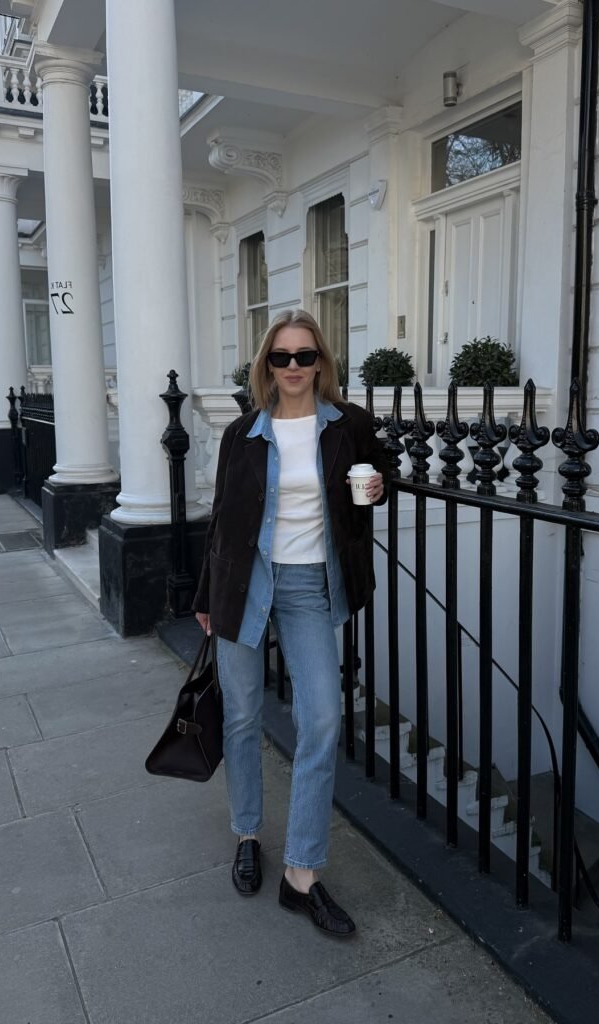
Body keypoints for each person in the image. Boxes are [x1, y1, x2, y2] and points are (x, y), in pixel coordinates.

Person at [192, 308, 389, 937]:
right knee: (244, 715)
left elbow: (379, 482)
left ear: (322, 362)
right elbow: (221, 521)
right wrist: (204, 596)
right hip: (243, 585)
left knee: (323, 719)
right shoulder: (243, 434)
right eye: (283, 357)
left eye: (306, 356)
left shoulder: (350, 425)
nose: (296, 367)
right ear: (266, 366)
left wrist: (380, 489)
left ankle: (301, 875)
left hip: (309, 586)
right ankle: (247, 833)